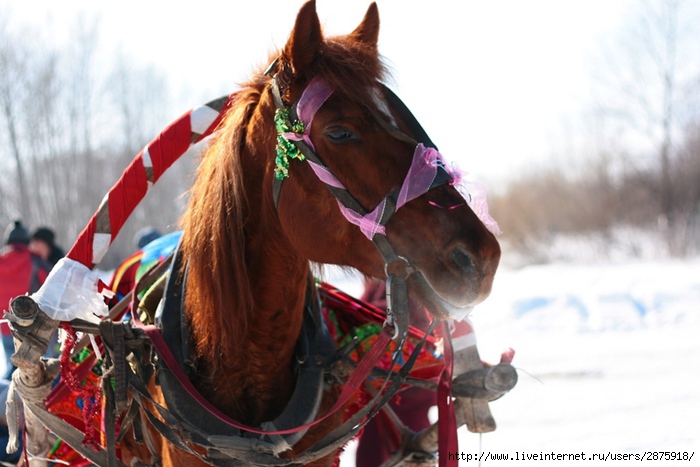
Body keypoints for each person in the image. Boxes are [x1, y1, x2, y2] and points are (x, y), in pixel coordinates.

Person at [0, 220, 51, 463]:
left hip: (6, 327)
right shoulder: (34, 260)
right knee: (39, 372)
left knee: (12, 372)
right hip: (33, 333)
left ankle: (9, 413)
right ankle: (34, 419)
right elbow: (47, 288)